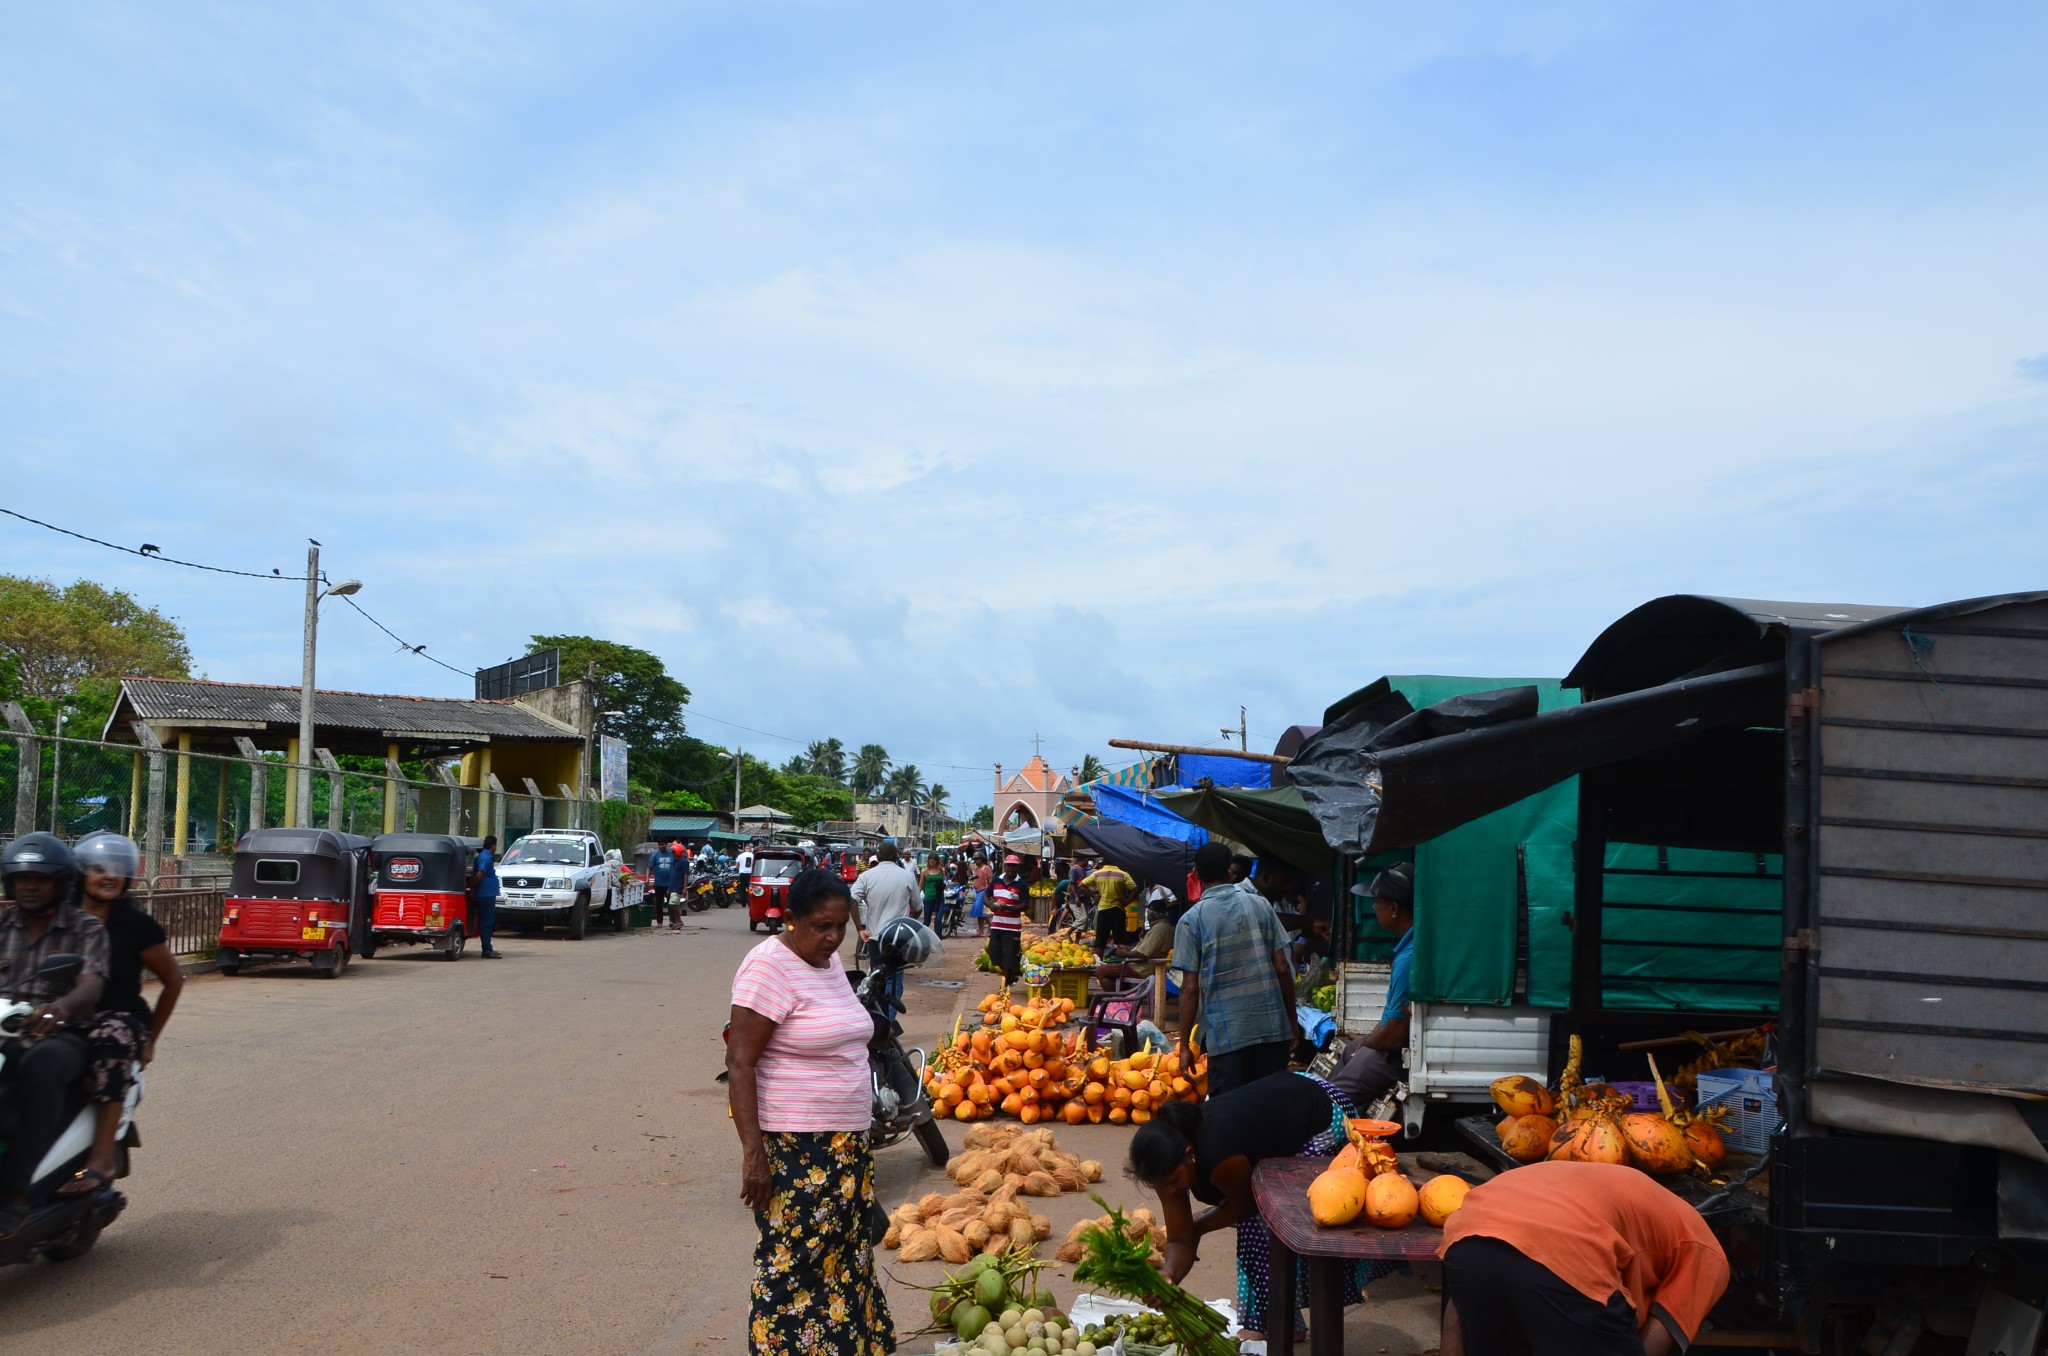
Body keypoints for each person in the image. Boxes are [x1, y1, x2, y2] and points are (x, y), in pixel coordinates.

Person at [726, 869, 893, 1354]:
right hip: (798, 1147)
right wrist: (753, 1153)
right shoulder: (767, 967)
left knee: (844, 1257)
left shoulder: (829, 962)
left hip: (846, 1144)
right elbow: (740, 1063)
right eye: (822, 926)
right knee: (793, 1263)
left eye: (840, 926)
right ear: (792, 918)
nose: (833, 937)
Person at [1128, 1070, 1391, 1343]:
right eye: (1163, 1186)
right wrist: (1167, 1276)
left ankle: (1280, 1321)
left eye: (1173, 1181)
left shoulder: (1219, 1155)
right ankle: (1282, 1320)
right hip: (1282, 1103)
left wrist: (1199, 1226)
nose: (1170, 1190)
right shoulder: (1164, 1170)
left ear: (1190, 1156)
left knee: (1264, 1222)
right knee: (1260, 1219)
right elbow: (1181, 1239)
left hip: (1323, 1112)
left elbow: (1248, 1207)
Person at [1439, 1160, 1731, 1356]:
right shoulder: (1708, 1253)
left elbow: (1457, 1311)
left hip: (1471, 1230)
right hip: (1565, 1244)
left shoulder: (1625, 1193)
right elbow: (1661, 1333)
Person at [54, 832, 182, 1198]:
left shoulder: (136, 925)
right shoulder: (59, 915)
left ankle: (101, 1156)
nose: (108, 876)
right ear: (81, 872)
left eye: (117, 869)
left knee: (108, 1041)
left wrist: (151, 1040)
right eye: (98, 868)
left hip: (120, 1018)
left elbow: (173, 981)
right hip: (62, 1015)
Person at [0, 834, 110, 1239]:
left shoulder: (84, 928)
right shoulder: (2, 924)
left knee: (42, 1064)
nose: (29, 885)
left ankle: (14, 1193)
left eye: (40, 879)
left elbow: (91, 984)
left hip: (60, 1034)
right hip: (2, 1034)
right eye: (21, 878)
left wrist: (61, 1007)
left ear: (61, 883)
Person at [1173, 841, 1299, 1099]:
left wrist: (1185, 1045)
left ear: (1196, 874)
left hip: (1227, 1035)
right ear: (1230, 871)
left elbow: (1189, 988)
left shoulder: (1191, 921)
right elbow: (1282, 968)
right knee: (1268, 1107)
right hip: (1271, 1029)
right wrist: (1292, 1021)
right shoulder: (1261, 905)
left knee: (1229, 1112)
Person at [1329, 864, 1415, 1112]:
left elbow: (1393, 1035)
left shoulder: (1409, 958)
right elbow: (1390, 1016)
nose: (1374, 908)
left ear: (1394, 908)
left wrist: (1367, 1044)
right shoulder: (1407, 950)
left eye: (1377, 902)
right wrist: (1364, 1043)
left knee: (1333, 1099)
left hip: (1393, 1055)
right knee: (1348, 1053)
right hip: (1389, 1048)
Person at [851, 843, 919, 1016]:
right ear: (897, 857)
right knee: (894, 980)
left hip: (875, 938)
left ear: (878, 857)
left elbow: (851, 900)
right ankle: (888, 1022)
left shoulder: (867, 876)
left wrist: (860, 928)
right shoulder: (907, 877)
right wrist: (908, 925)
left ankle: (880, 1020)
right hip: (899, 939)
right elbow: (918, 908)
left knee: (876, 980)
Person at [1094, 887, 1176, 989]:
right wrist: (1127, 948)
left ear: (1152, 916)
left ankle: (1114, 1000)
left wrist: (1123, 953)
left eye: (1148, 913)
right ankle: (1124, 995)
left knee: (1101, 970)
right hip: (1147, 966)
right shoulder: (1168, 928)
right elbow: (1146, 949)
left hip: (1142, 969)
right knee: (1112, 968)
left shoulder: (1158, 930)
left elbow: (1142, 954)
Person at [984, 855, 1026, 983]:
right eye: (1009, 865)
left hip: (1012, 927)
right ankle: (1011, 977)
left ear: (1018, 867)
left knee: (1009, 957)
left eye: (1014, 866)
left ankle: (1007, 982)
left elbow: (1025, 905)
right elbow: (986, 895)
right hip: (997, 925)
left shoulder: (1021, 885)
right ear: (1005, 866)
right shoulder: (997, 881)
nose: (1011, 868)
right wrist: (991, 905)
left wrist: (1008, 907)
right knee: (994, 954)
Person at [1083, 859, 1139, 952]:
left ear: (1104, 862)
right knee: (1120, 940)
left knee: (1100, 941)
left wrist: (1093, 895)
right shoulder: (1123, 874)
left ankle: (1099, 963)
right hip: (1118, 909)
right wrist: (1127, 901)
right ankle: (1122, 964)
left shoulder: (1098, 873)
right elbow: (1135, 889)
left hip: (1103, 909)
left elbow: (1081, 885)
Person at [471, 834, 502, 957]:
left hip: (486, 893)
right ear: (493, 846)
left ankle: (487, 948)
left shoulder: (484, 856)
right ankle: (487, 950)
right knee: (486, 922)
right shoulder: (485, 857)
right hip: (485, 894)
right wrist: (475, 889)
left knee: (486, 922)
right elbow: (479, 875)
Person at [649, 843, 679, 927]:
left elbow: (676, 867)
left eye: (662, 845)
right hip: (659, 883)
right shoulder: (655, 855)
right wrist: (647, 878)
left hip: (670, 883)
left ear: (666, 845)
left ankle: (672, 921)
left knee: (671, 903)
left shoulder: (671, 855)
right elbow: (649, 867)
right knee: (659, 903)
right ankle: (659, 922)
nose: (661, 846)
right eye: (659, 845)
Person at [920, 854, 946, 931]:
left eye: (934, 860)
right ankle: (922, 937)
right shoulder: (924, 871)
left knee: (938, 920)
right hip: (928, 898)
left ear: (937, 861)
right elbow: (921, 885)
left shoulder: (942, 870)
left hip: (939, 897)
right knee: (927, 921)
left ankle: (938, 939)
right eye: (930, 859)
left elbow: (944, 882)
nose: (932, 861)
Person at [971, 855, 994, 938]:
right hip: (977, 891)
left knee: (980, 911)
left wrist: (990, 892)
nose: (976, 861)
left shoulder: (986, 868)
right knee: (979, 912)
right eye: (975, 859)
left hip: (984, 891)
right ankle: (981, 931)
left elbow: (990, 881)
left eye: (978, 859)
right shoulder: (976, 869)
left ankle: (992, 927)